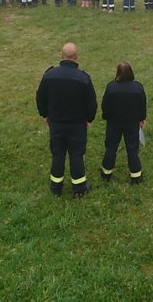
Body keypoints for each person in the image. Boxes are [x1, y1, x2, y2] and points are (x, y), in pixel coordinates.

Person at [36, 43, 98, 198]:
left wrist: (45, 114)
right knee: (76, 155)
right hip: (77, 125)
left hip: (56, 123)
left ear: (61, 56)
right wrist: (89, 119)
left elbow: (40, 97)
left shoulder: (49, 75)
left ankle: (56, 188)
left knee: (58, 154)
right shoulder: (83, 78)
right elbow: (91, 102)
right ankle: (79, 189)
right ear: (76, 57)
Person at [100, 61, 147, 185]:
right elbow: (142, 105)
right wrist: (141, 119)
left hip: (114, 123)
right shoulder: (138, 87)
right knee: (132, 148)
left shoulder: (111, 87)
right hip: (131, 123)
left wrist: (106, 117)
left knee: (110, 147)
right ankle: (136, 176)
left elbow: (105, 105)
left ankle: (106, 173)